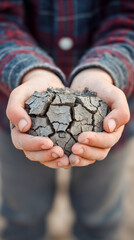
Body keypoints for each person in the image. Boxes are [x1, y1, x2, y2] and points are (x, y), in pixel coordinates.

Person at [0, 1, 133, 239]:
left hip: (106, 122)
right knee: (22, 214)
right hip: (20, 115)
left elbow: (128, 19)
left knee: (100, 217)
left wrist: (105, 71)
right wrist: (31, 71)